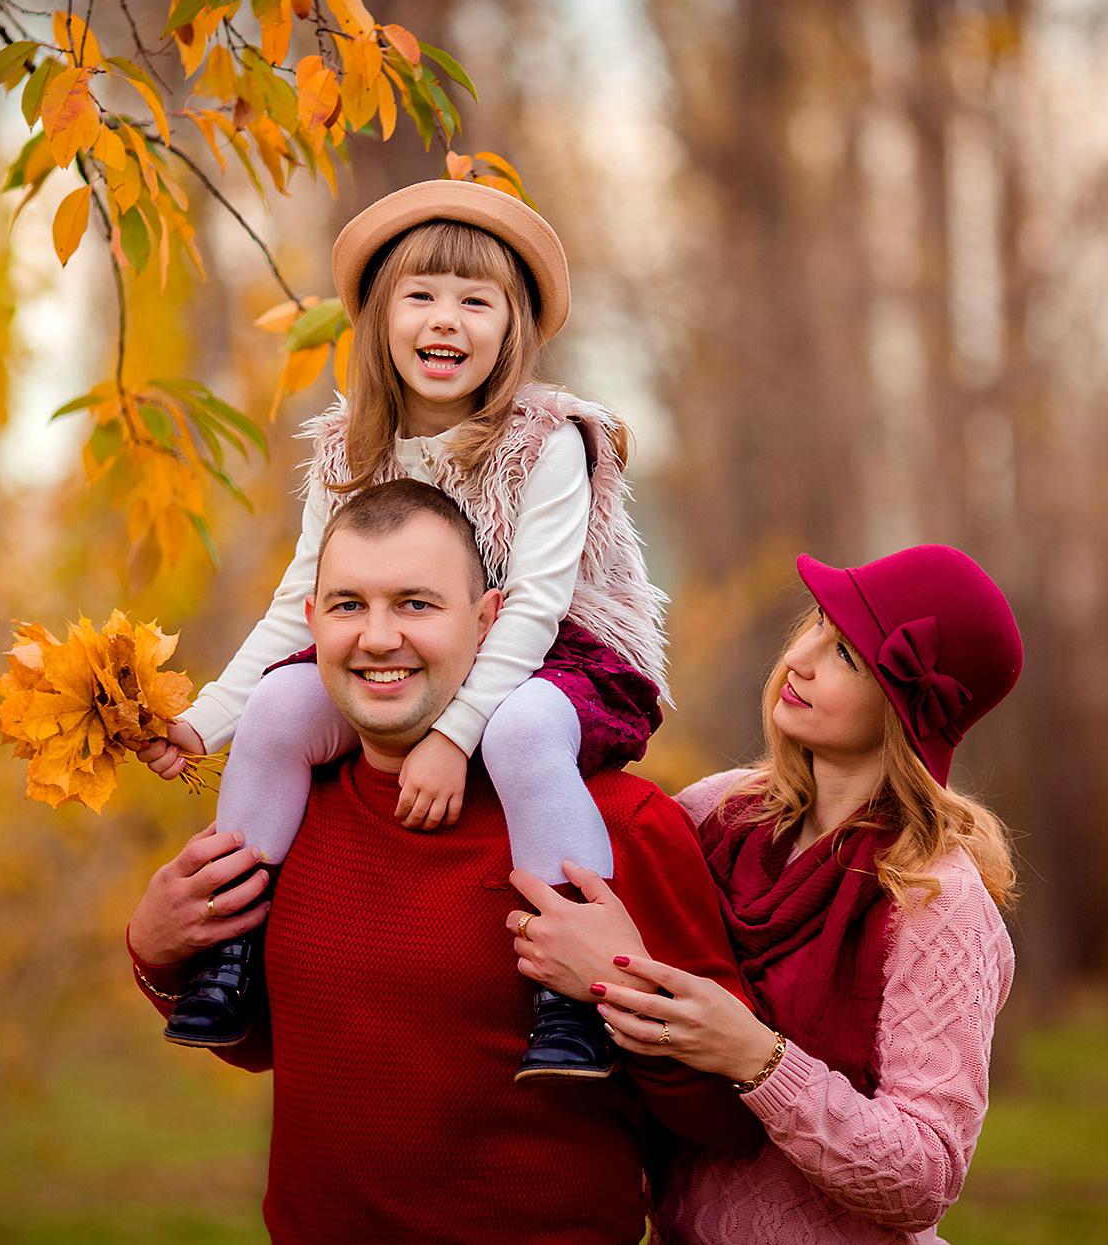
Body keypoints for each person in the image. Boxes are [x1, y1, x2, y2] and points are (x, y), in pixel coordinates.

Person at [127, 480, 759, 1244]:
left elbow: (729, 1117)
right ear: (312, 621)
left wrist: (625, 993)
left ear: (489, 621)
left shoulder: (618, 821)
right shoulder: (289, 810)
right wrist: (158, 956)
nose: (378, 637)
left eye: (416, 604)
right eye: (349, 604)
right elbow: (267, 1048)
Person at [141, 180, 667, 1080]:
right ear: (382, 319)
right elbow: (299, 600)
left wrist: (452, 738)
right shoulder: (350, 446)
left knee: (522, 731)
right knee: (279, 707)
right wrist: (204, 721)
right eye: (421, 295)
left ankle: (572, 992)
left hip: (550, 656)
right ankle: (232, 952)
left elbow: (535, 607)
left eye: (476, 301)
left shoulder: (549, 442)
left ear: (513, 329)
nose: (445, 319)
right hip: (406, 652)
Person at [508, 546, 1023, 1243]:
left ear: (905, 710)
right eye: (816, 623)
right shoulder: (718, 813)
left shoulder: (937, 900)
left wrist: (756, 1057)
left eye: (845, 654)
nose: (799, 659)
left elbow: (925, 1177)